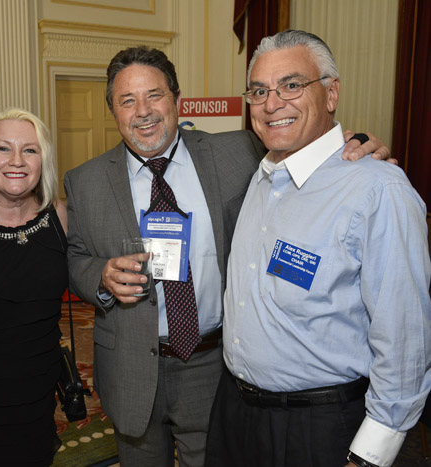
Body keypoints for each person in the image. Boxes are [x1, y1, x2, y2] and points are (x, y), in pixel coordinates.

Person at [63, 45, 390, 467]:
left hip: (213, 366)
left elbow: (304, 140)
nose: (143, 111)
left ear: (176, 99)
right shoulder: (85, 180)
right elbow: (75, 260)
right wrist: (100, 275)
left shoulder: (239, 152)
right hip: (129, 364)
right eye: (128, 100)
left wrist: (356, 145)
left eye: (155, 95)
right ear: (113, 109)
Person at [206, 30, 431, 467]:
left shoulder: (377, 190)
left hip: (320, 427)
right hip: (234, 414)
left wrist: (370, 455)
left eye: (292, 85)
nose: (272, 104)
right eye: (258, 91)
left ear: (331, 93)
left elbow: (405, 338)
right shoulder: (259, 174)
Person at [0, 108, 68, 466]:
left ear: (43, 160)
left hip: (39, 391)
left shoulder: (61, 217)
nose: (16, 160)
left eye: (30, 150)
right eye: (3, 148)